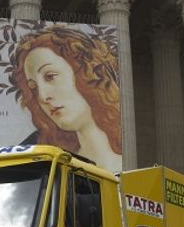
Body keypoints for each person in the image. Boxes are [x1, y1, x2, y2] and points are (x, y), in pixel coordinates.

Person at [12, 26, 121, 172]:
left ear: (86, 72)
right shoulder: (43, 160)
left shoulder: (131, 168)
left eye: (50, 76)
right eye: (34, 88)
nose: (43, 97)